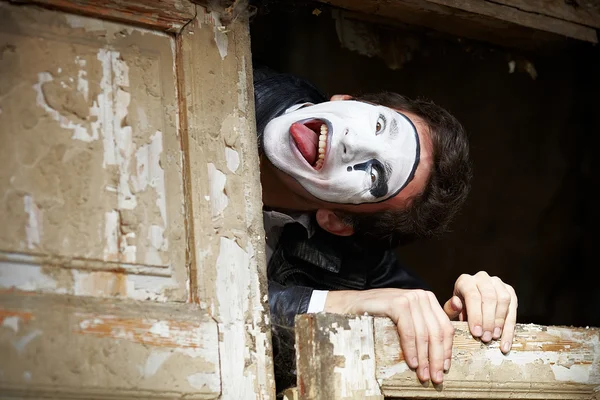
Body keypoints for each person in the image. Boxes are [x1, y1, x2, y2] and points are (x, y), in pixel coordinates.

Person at [254, 63, 518, 393]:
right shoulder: (220, 76)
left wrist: (464, 316)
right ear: (346, 99)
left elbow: (407, 304)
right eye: (378, 125)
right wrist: (340, 306)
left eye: (376, 175)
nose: (352, 141)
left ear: (335, 221)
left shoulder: (353, 258)